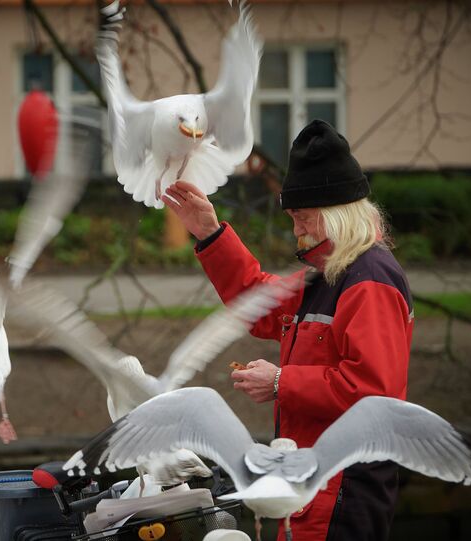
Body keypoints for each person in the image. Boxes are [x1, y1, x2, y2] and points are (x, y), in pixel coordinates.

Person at [163, 119, 413, 541]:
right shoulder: (331, 274)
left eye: (303, 217)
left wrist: (282, 380)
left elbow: (374, 394)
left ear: (337, 213)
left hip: (342, 489)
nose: (296, 229)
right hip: (310, 484)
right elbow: (258, 302)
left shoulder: (368, 279)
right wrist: (209, 232)